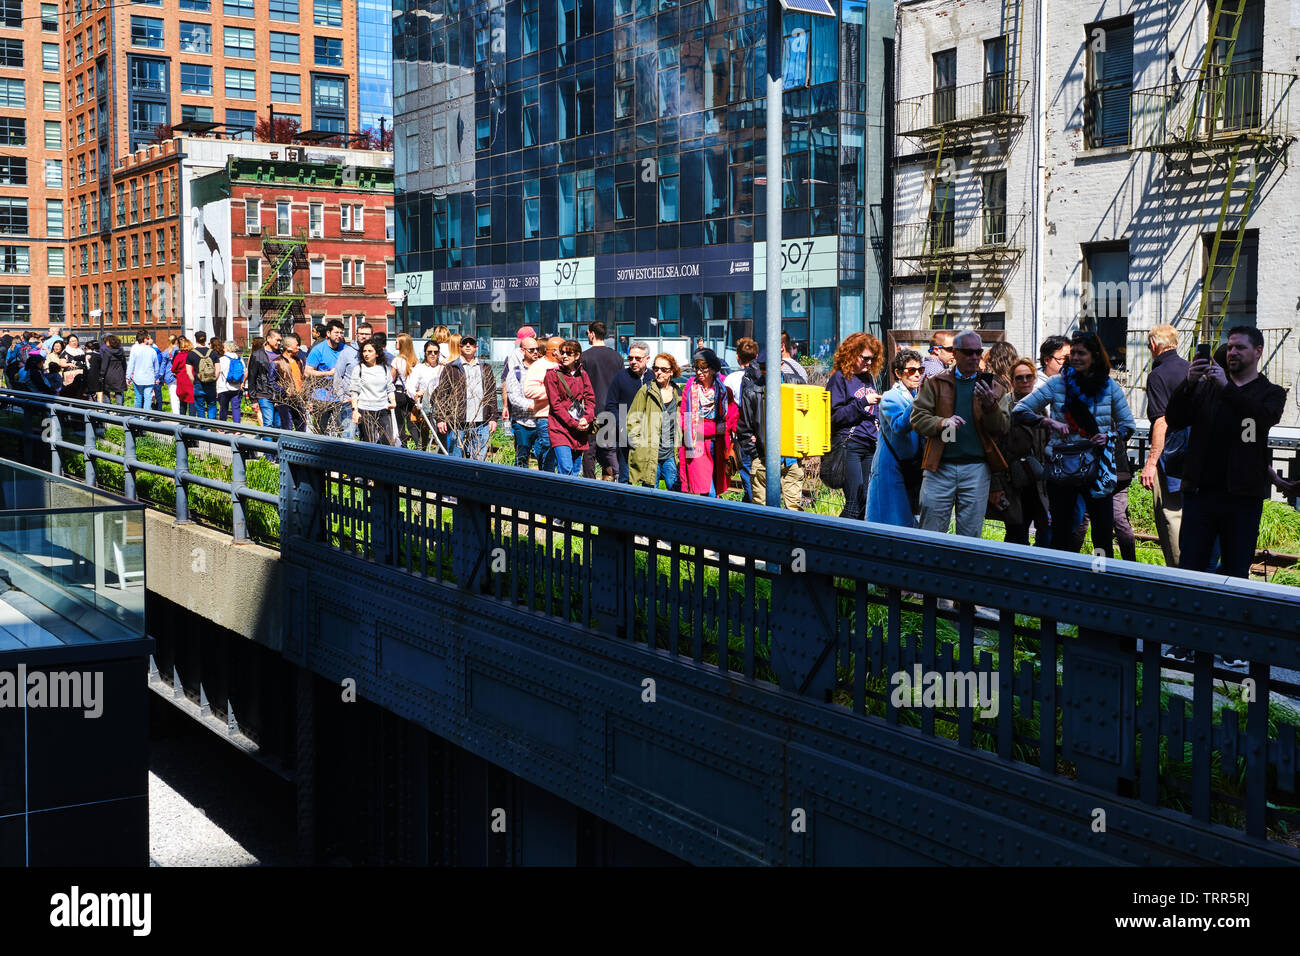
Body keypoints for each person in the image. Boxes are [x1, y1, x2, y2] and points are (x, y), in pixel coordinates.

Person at [1165, 325, 1286, 578]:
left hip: (1242, 498)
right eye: (1230, 347)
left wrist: (1227, 388)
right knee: (1191, 570)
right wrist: (1188, 384)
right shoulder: (1206, 388)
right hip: (1201, 495)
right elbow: (1175, 419)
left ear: (1258, 351)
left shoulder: (1270, 393)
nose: (1232, 352)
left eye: (1240, 347)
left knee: (1235, 572)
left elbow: (1258, 420)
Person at [1012, 331, 1135, 558]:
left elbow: (1128, 425)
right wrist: (1047, 422)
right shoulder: (1057, 384)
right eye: (1072, 354)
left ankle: (1100, 582)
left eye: (1081, 353)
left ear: (1095, 356)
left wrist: (1109, 436)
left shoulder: (1109, 386)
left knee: (1102, 535)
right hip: (1062, 468)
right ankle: (1063, 583)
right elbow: (1019, 410)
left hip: (1098, 468)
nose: (1075, 358)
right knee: (1060, 532)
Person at [911, 329, 1009, 538]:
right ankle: (930, 571)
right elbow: (917, 418)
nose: (975, 357)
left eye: (978, 352)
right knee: (931, 533)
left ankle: (963, 570)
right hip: (940, 467)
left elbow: (1002, 428)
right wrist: (942, 423)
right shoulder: (936, 382)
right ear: (955, 353)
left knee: (970, 537)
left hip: (976, 468)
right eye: (968, 352)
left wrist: (991, 405)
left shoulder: (994, 386)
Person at [1140, 324, 1190, 568]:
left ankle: (1178, 572)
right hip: (1194, 454)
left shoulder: (1157, 375)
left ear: (1153, 346)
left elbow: (1161, 421)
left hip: (1170, 456)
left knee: (1171, 515)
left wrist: (1150, 463)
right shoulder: (1191, 369)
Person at [826, 333, 884, 520]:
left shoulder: (869, 378)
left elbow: (871, 411)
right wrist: (863, 402)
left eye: (872, 359)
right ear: (852, 354)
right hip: (848, 443)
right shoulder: (839, 379)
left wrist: (877, 417)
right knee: (854, 502)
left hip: (869, 443)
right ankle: (834, 543)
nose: (869, 363)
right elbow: (834, 416)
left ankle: (855, 543)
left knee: (866, 500)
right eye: (865, 358)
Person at [994, 358, 1050, 546]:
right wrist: (998, 483)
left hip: (1039, 480)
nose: (1025, 381)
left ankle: (1040, 570)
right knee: (1016, 532)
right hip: (1014, 481)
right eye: (1020, 378)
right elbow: (996, 446)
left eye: (1028, 377)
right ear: (1012, 381)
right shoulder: (1006, 407)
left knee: (1045, 531)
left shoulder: (1040, 407)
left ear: (1034, 379)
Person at [866, 349, 925, 527]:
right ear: (899, 373)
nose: (917, 375)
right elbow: (899, 426)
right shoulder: (891, 397)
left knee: (905, 521)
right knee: (891, 522)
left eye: (920, 371)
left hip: (909, 467)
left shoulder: (914, 395)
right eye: (911, 371)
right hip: (890, 468)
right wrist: (918, 403)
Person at [738, 349, 803, 509]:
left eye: (769, 366)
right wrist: (756, 453)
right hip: (762, 459)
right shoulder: (752, 391)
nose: (766, 371)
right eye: (763, 367)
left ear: (781, 364)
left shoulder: (797, 384)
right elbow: (744, 427)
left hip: (791, 459)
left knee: (794, 512)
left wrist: (803, 449)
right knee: (762, 511)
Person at [678, 347, 737, 497]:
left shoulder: (724, 389)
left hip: (719, 445)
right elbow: (685, 417)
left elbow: (730, 418)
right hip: (696, 443)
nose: (698, 372)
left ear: (712, 369)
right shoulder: (691, 387)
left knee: (715, 489)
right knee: (707, 490)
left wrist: (705, 427)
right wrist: (713, 428)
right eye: (696, 368)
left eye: (703, 368)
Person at [432, 335, 499, 459]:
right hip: (457, 423)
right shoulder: (451, 368)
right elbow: (442, 394)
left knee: (479, 461)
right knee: (456, 460)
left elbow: (491, 394)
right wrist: (440, 418)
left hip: (481, 423)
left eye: (471, 343)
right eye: (465, 343)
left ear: (476, 347)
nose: (468, 345)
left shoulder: (485, 368)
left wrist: (493, 418)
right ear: (460, 346)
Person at [627, 353, 683, 489]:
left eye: (663, 370)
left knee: (675, 493)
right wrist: (638, 445)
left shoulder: (678, 393)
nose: (658, 372)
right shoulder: (646, 390)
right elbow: (632, 419)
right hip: (650, 454)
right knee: (650, 493)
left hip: (671, 454)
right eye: (656, 368)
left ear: (671, 371)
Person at [579, 320, 625, 480]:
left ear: (592, 334)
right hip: (613, 410)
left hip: (592, 410)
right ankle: (610, 482)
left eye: (587, 334)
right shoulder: (617, 357)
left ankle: (589, 485)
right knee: (609, 450)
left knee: (589, 450)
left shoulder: (584, 357)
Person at [603, 341, 653, 485]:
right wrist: (622, 425)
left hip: (649, 434)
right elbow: (611, 404)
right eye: (630, 358)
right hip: (625, 434)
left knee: (648, 477)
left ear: (647, 359)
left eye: (638, 358)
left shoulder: (653, 377)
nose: (633, 361)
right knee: (625, 476)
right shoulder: (621, 377)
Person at [543, 339, 595, 477]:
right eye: (562, 353)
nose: (564, 356)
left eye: (569, 353)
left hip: (579, 430)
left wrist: (587, 418)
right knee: (566, 468)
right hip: (559, 428)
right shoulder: (552, 374)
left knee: (575, 470)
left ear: (577, 356)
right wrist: (574, 423)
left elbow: (590, 399)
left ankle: (571, 497)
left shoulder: (582, 374)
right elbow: (556, 405)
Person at [723, 337, 759, 501]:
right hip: (760, 432)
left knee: (746, 469)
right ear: (756, 356)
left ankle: (753, 506)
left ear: (737, 357)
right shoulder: (762, 376)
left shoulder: (731, 379)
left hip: (741, 432)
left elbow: (727, 408)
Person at [503, 336, 547, 468]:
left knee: (544, 458)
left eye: (537, 349)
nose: (535, 352)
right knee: (521, 458)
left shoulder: (544, 369)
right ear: (523, 351)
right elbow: (514, 398)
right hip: (522, 423)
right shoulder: (516, 371)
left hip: (541, 423)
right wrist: (533, 406)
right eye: (531, 350)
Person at [523, 336, 562, 470]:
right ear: (553, 351)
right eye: (563, 350)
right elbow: (529, 390)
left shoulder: (564, 365)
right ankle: (548, 484)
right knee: (549, 454)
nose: (565, 353)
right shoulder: (538, 366)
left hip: (564, 418)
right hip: (546, 418)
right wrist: (554, 392)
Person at [349, 341, 396, 445]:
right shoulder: (359, 369)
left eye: (370, 351)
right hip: (365, 410)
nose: (366, 354)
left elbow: (390, 388)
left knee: (387, 441)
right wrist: (355, 410)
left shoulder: (384, 369)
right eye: (364, 351)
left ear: (377, 354)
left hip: (383, 409)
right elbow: (354, 392)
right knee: (368, 442)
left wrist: (393, 402)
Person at [333, 322, 373, 438]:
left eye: (367, 334)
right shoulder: (347, 352)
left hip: (368, 402)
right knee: (348, 436)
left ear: (372, 335)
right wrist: (342, 397)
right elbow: (337, 376)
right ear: (356, 334)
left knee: (368, 438)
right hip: (349, 401)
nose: (364, 336)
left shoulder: (375, 353)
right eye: (361, 334)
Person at [305, 319, 346, 434]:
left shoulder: (345, 350)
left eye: (341, 333)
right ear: (328, 333)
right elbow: (307, 372)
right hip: (321, 397)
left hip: (340, 397)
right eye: (336, 332)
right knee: (320, 430)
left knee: (341, 430)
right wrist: (328, 373)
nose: (339, 335)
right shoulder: (318, 350)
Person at [405, 341, 443, 450]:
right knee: (422, 439)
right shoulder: (419, 368)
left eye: (435, 352)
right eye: (429, 352)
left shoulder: (443, 368)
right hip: (423, 408)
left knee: (440, 437)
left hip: (439, 408)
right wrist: (416, 396)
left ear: (439, 353)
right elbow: (410, 386)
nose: (432, 354)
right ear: (425, 353)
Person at [247, 329, 282, 428]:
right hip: (263, 393)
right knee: (268, 423)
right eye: (277, 340)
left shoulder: (281, 354)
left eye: (280, 340)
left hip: (279, 395)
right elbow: (252, 377)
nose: (279, 343)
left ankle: (276, 444)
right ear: (268, 339)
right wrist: (253, 400)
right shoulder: (257, 355)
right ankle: (268, 444)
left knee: (278, 424)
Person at [390, 332, 419, 447]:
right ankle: (417, 444)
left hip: (399, 392)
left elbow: (391, 378)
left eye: (396, 342)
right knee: (412, 421)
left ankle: (403, 445)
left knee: (400, 421)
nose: (395, 344)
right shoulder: (415, 361)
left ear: (402, 344)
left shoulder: (397, 360)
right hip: (411, 394)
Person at [273, 333, 307, 431]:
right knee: (287, 426)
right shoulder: (277, 362)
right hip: (284, 400)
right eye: (296, 345)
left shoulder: (299, 361)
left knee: (302, 426)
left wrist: (305, 398)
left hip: (298, 398)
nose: (298, 347)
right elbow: (271, 382)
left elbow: (302, 379)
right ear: (288, 347)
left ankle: (299, 446)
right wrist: (283, 390)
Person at [187, 331, 219, 420]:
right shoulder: (213, 353)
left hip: (198, 383)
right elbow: (218, 370)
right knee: (212, 405)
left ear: (196, 339)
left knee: (200, 407)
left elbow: (189, 372)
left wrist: (194, 382)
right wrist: (213, 380)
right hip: (211, 383)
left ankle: (203, 428)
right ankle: (213, 426)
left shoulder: (191, 353)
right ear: (205, 339)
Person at [126, 332, 158, 410]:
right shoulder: (152, 351)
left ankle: (137, 417)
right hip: (149, 378)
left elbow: (131, 364)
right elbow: (156, 367)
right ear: (144, 339)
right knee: (148, 399)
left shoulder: (134, 350)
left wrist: (128, 377)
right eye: (147, 338)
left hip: (138, 378)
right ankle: (145, 417)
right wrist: (156, 377)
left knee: (138, 398)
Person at [216, 340, 244, 423]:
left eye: (224, 347)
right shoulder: (240, 359)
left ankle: (222, 429)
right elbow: (244, 372)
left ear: (227, 348)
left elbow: (218, 373)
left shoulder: (222, 360)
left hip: (223, 388)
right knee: (236, 408)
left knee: (223, 408)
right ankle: (237, 429)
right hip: (237, 388)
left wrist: (216, 388)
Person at [171, 336, 196, 415]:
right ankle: (192, 423)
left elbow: (173, 369)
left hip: (181, 380)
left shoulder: (179, 356)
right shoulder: (193, 355)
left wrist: (178, 371)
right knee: (192, 401)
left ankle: (182, 422)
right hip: (191, 380)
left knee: (182, 402)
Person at [100, 335, 127, 405]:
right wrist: (124, 373)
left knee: (106, 392)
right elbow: (124, 364)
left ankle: (108, 408)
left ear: (109, 343)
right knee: (119, 392)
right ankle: (118, 410)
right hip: (119, 375)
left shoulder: (107, 352)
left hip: (109, 376)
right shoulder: (121, 352)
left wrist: (101, 375)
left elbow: (104, 365)